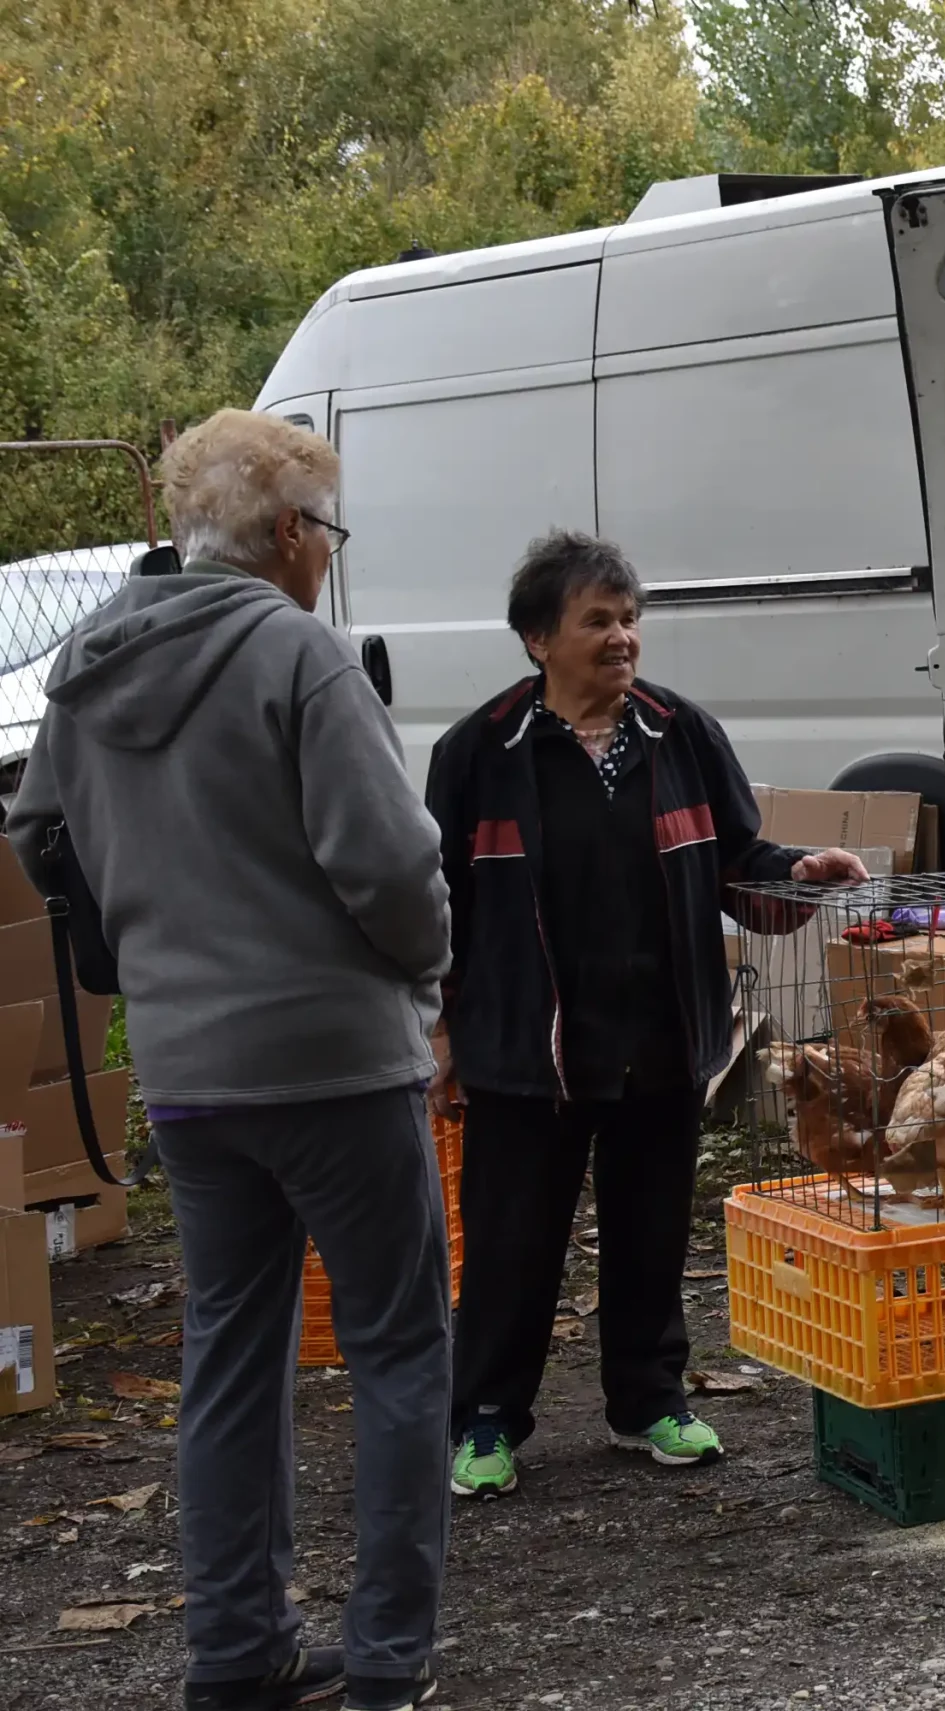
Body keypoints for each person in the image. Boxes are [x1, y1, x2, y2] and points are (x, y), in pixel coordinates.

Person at [5, 410, 452, 1711]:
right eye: (330, 529)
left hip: (192, 1073)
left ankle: (238, 1655)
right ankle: (385, 1658)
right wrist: (423, 979)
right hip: (335, 1060)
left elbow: (37, 829)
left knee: (230, 1353)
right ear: (294, 535)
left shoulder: (88, 668)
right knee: (397, 1349)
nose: (330, 555)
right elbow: (388, 862)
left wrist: (142, 922)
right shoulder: (298, 658)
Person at [426, 531, 866, 1500]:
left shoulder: (681, 735)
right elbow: (439, 910)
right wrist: (443, 1034)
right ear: (540, 638)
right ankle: (488, 1418)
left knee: (651, 1228)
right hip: (528, 1051)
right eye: (598, 621)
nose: (622, 637)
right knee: (510, 1243)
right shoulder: (479, 755)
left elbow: (739, 862)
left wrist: (800, 874)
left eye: (630, 619)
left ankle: (648, 1399)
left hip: (659, 1038)